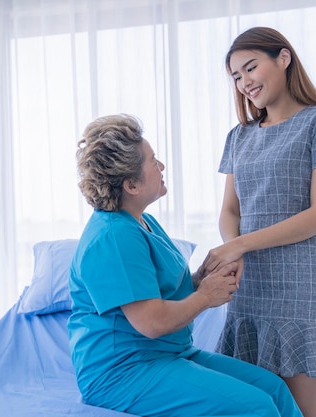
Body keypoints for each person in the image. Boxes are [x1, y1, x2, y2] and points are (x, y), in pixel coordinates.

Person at [67, 113, 303, 417]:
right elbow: (151, 323)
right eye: (153, 161)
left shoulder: (142, 222)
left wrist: (199, 279)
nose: (161, 167)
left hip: (168, 353)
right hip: (123, 371)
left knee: (274, 388)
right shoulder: (113, 237)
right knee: (257, 408)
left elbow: (155, 290)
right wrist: (206, 296)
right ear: (132, 185)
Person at [199, 27, 316, 417]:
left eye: (251, 68)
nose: (245, 82)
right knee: (255, 403)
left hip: (302, 281)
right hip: (249, 283)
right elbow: (230, 211)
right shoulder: (239, 136)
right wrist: (234, 249)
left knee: (301, 408)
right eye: (236, 77)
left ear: (283, 58)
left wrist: (238, 246)